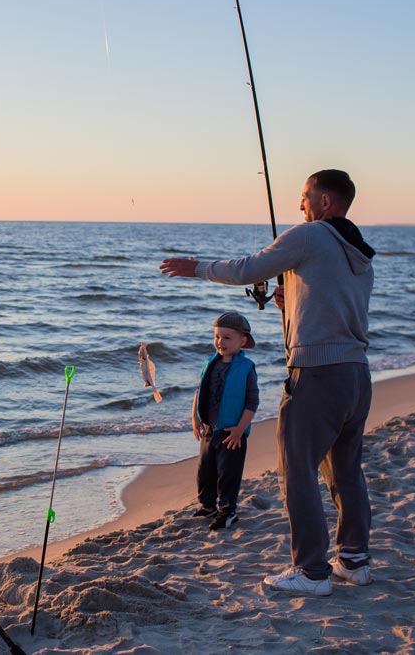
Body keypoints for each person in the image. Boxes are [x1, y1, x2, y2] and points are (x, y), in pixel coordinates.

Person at [160, 169, 376, 596]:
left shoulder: (313, 235)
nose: (300, 205)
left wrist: (195, 267)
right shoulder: (359, 252)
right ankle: (354, 560)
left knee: (297, 471)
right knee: (346, 471)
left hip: (317, 375)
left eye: (306, 197)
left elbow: (248, 268)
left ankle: (312, 571)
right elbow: (330, 307)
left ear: (326, 202)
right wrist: (289, 300)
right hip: (356, 375)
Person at [191, 312, 259, 531]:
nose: (221, 342)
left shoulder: (246, 368)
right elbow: (199, 391)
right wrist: (195, 418)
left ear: (243, 340)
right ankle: (208, 506)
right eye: (218, 337)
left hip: (233, 433)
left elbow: (252, 401)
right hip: (210, 430)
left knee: (227, 475)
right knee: (205, 472)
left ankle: (228, 511)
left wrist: (240, 428)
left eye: (227, 337)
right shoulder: (209, 363)